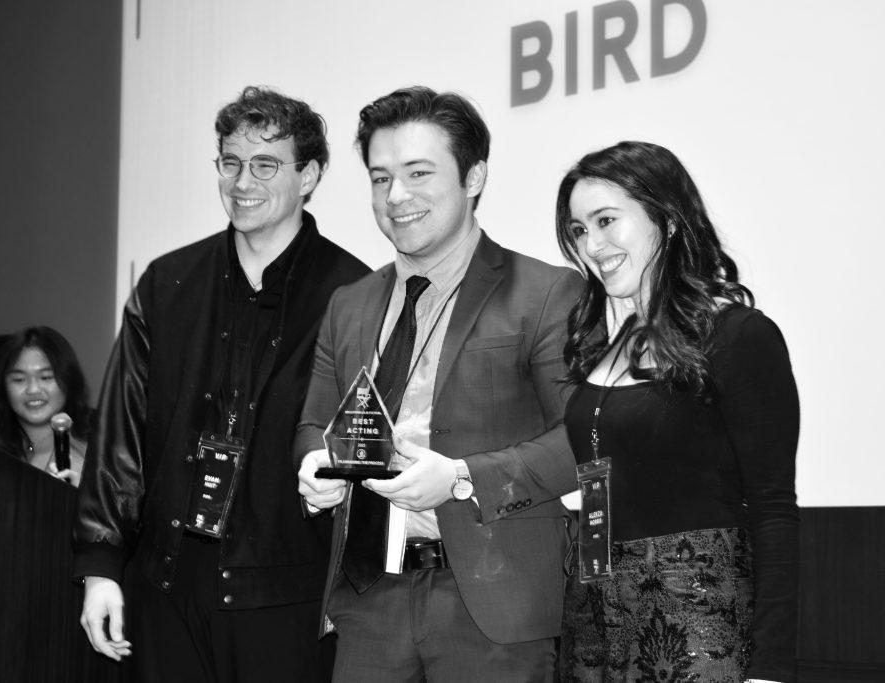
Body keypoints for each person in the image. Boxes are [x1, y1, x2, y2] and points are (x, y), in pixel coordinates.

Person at [72, 86, 369, 682]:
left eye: (265, 164)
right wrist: (101, 564)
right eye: (230, 162)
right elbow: (120, 432)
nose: (242, 182)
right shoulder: (169, 283)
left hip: (287, 595)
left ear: (309, 175)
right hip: (166, 584)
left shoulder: (354, 294)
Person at [295, 86, 580, 682]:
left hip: (491, 606)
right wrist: (315, 469)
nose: (396, 197)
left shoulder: (547, 293)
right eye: (380, 178)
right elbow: (313, 426)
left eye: (418, 173)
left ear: (474, 177)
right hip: (369, 599)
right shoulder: (349, 305)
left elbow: (582, 443)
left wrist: (460, 479)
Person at [555, 141, 799, 682]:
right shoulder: (603, 347)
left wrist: (772, 667)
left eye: (606, 220)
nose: (592, 244)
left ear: (665, 219)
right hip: (593, 617)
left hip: (699, 622)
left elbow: (773, 506)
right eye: (578, 229)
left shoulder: (737, 335)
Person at [0, 325, 90, 486]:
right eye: (19, 380)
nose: (33, 389)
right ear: (3, 387)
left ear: (69, 381)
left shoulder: (96, 456)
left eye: (46, 377)